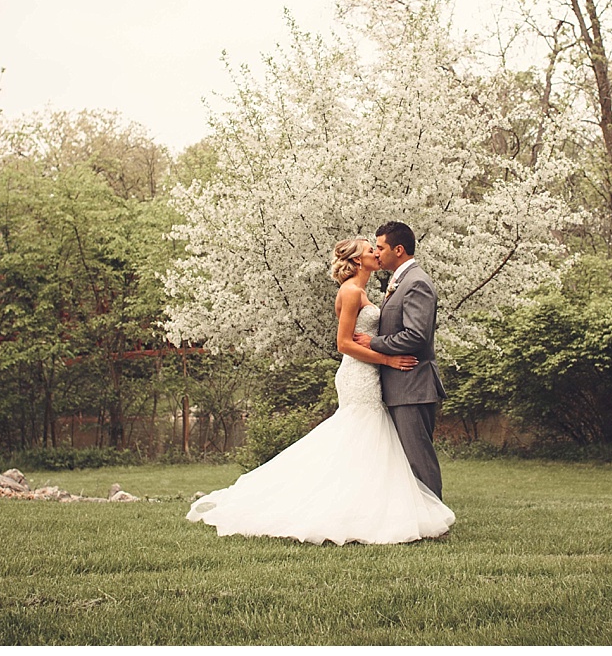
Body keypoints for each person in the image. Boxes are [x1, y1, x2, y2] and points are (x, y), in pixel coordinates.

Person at [186, 238, 454, 545]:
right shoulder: (351, 291)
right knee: (359, 435)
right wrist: (388, 358)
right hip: (359, 375)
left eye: (377, 249)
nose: (376, 254)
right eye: (370, 251)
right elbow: (343, 344)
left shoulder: (364, 290)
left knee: (366, 443)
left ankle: (366, 509)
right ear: (356, 260)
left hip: (372, 373)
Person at [352, 221, 446, 500]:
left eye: (380, 247)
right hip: (400, 385)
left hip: (412, 384)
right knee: (405, 458)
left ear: (399, 249)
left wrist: (375, 343)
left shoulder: (416, 283)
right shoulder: (400, 281)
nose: (377, 253)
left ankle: (435, 520)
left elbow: (416, 336)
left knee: (418, 458)